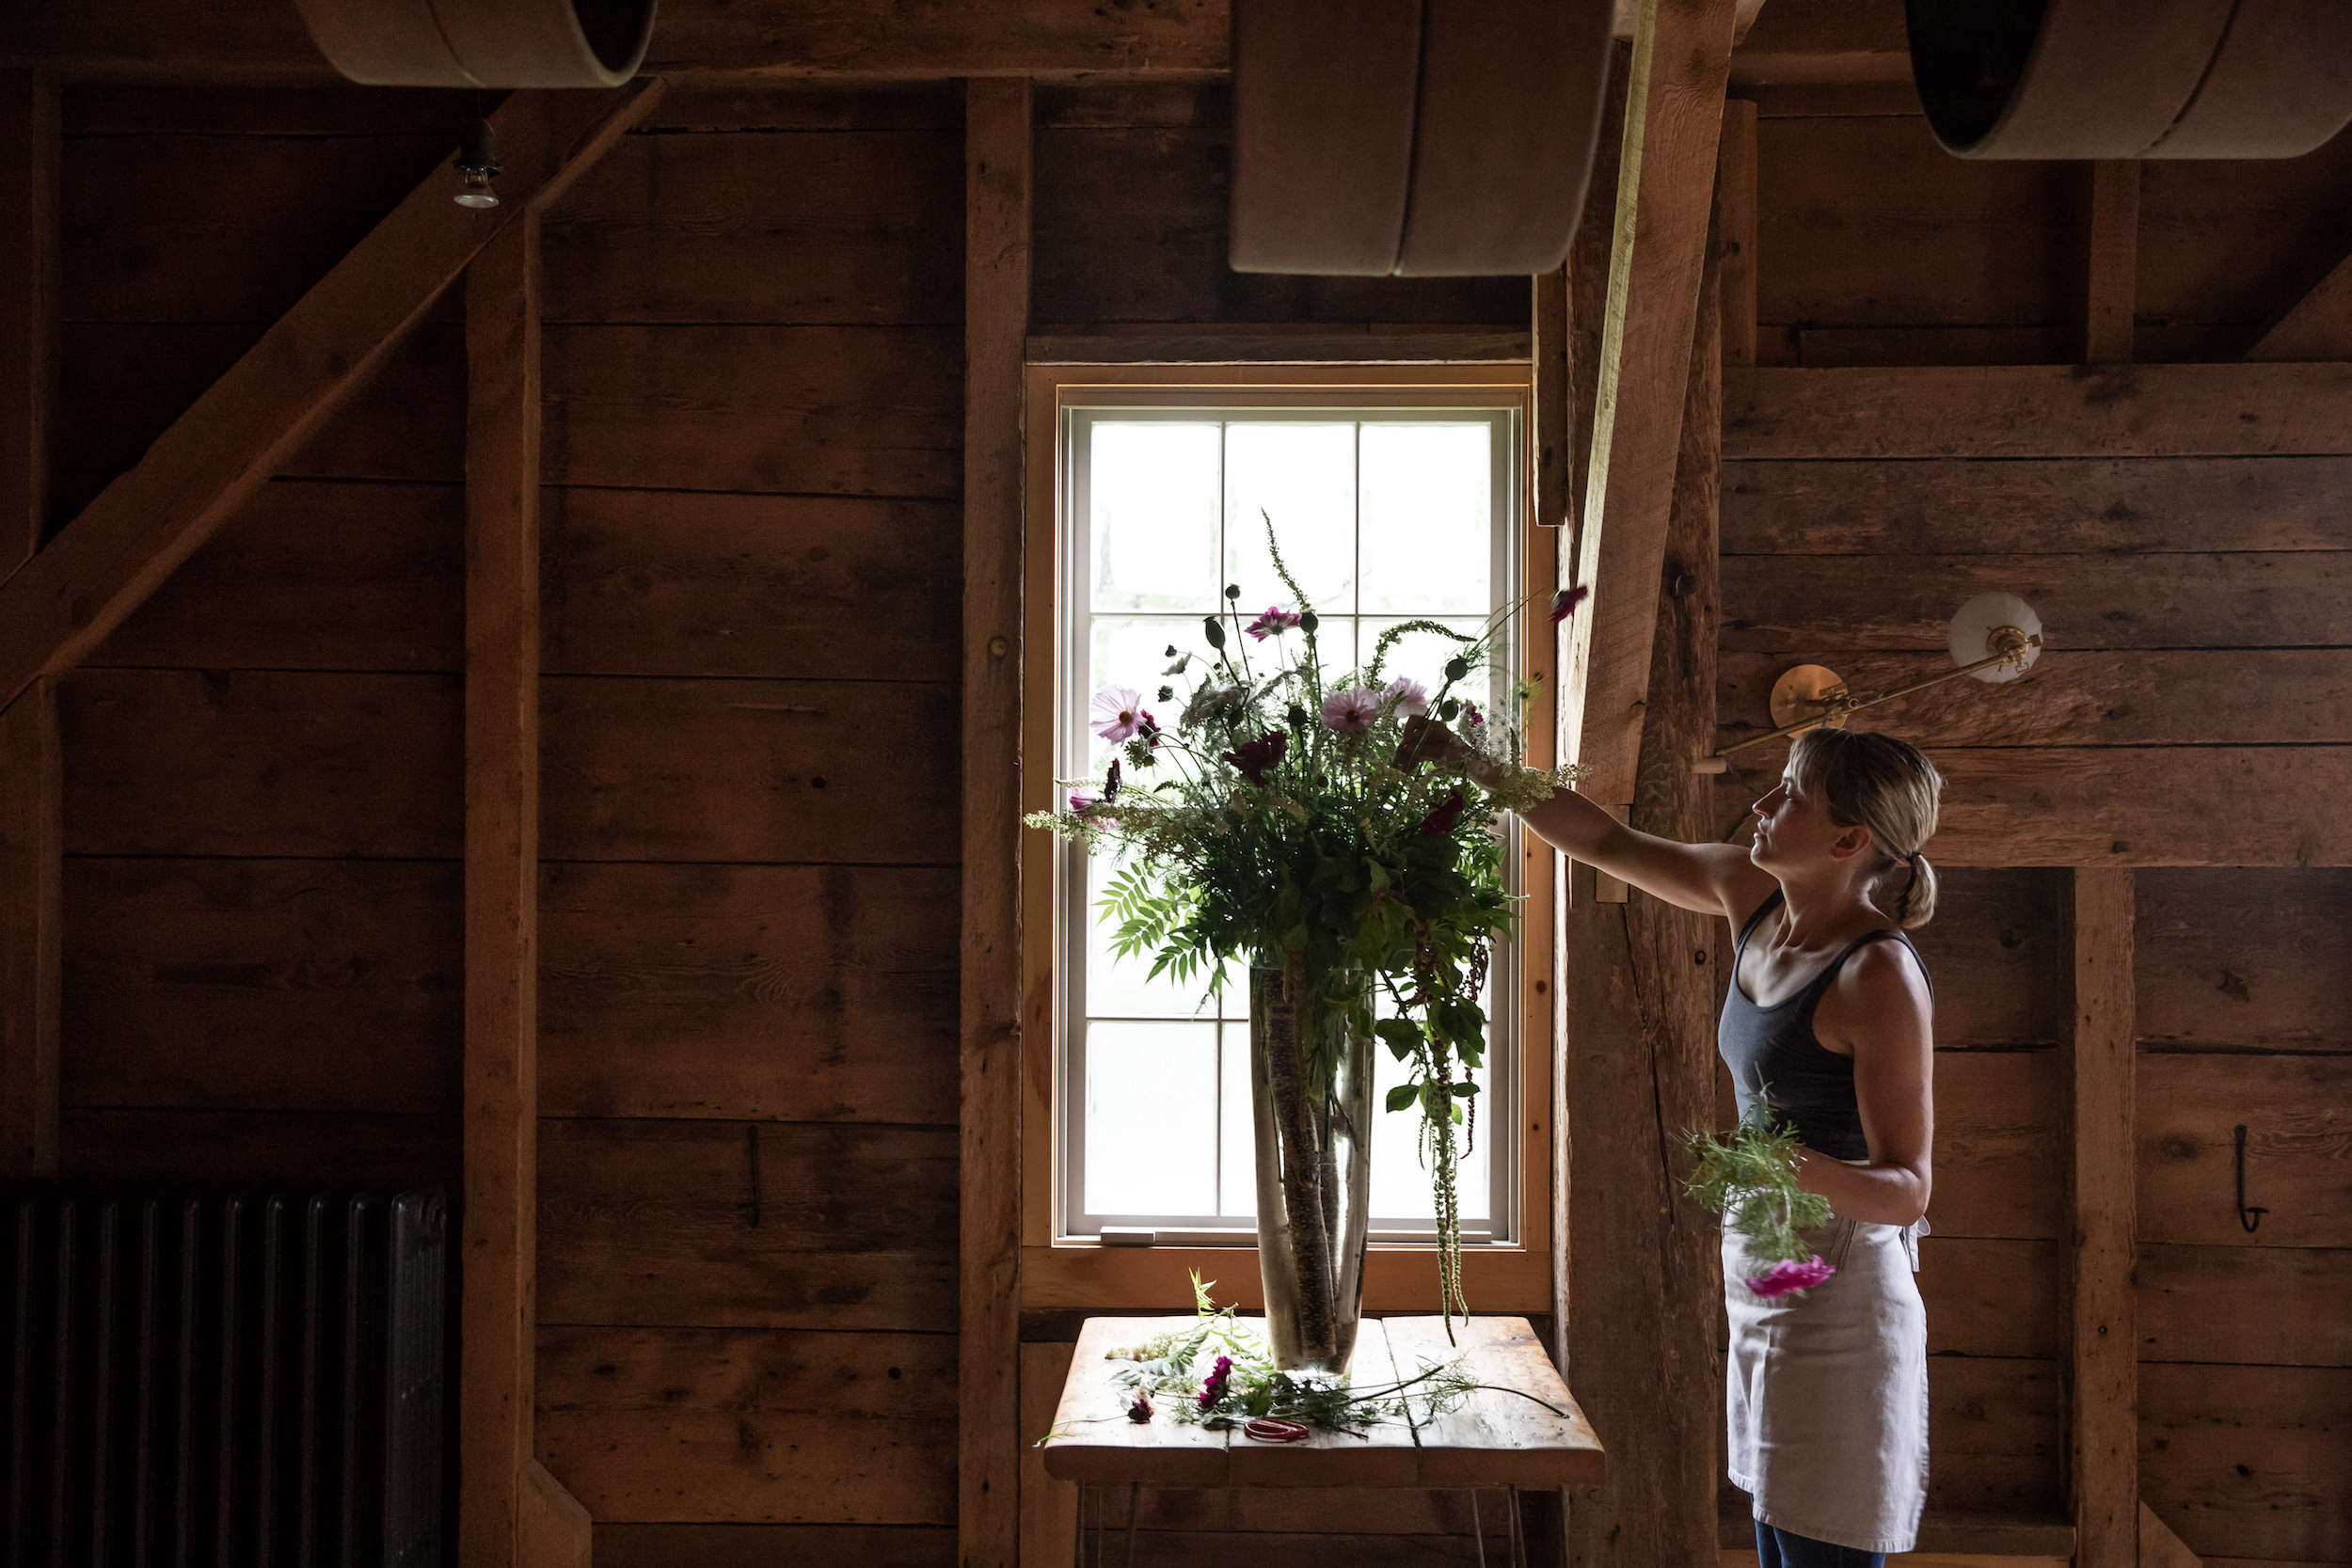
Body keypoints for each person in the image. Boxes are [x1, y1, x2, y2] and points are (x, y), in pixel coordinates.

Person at [1404, 719, 1943, 1567]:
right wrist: (1471, 765)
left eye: (1791, 796)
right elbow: (1602, 837)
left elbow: (1909, 1188)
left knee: (1822, 1542)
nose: (1762, 804)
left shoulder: (1878, 974)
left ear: (1849, 838)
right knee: (1775, 1527)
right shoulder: (1751, 896)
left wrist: (1782, 1163)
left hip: (1844, 1295)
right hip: (1768, 1269)